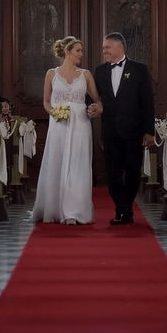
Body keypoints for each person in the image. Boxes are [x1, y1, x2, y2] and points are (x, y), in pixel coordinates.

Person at [32, 37, 102, 224]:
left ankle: (74, 211)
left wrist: (95, 109)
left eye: (81, 50)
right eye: (78, 50)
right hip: (59, 124)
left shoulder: (86, 75)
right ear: (68, 51)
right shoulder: (51, 74)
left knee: (78, 164)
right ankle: (54, 208)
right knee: (57, 161)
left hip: (80, 123)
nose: (81, 54)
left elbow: (98, 101)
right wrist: (54, 112)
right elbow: (46, 102)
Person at [88, 32, 155, 225]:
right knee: (113, 173)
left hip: (133, 131)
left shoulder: (140, 69)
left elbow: (147, 102)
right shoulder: (100, 71)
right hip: (110, 132)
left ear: (120, 47)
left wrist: (149, 131)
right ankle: (121, 209)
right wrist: (91, 108)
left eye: (107, 47)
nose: (104, 51)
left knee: (133, 171)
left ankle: (126, 209)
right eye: (103, 48)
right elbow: (93, 98)